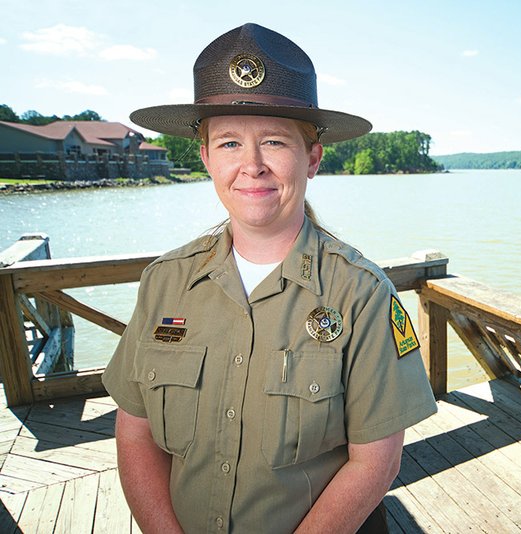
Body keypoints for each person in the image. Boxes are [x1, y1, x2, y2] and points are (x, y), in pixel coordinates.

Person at [102, 23, 438, 534]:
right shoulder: (164, 283)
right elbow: (135, 432)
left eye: (275, 142)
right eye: (230, 142)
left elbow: (376, 463)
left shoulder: (362, 294)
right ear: (206, 157)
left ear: (313, 157)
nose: (251, 165)